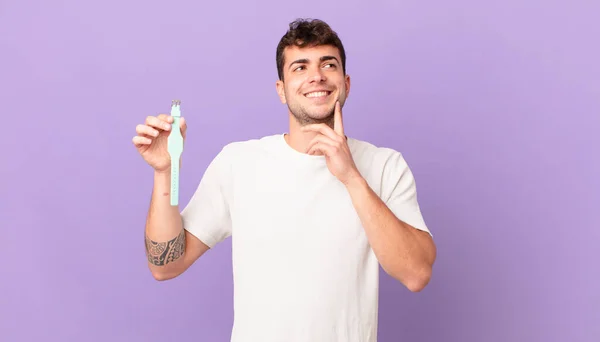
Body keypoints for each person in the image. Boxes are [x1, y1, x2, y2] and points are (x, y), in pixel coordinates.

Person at [133, 18, 436, 342]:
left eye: (328, 64)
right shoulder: (239, 163)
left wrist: (351, 177)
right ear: (281, 90)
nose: (316, 76)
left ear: (345, 82)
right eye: (300, 67)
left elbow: (416, 273)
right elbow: (165, 266)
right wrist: (165, 171)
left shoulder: (385, 166)